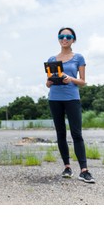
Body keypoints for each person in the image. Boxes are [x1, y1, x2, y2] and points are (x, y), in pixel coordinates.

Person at [46, 27, 95, 183]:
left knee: (76, 134)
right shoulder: (52, 59)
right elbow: (49, 83)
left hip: (72, 98)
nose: (64, 39)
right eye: (61, 36)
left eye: (68, 36)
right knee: (61, 134)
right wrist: (48, 82)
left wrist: (70, 79)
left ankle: (84, 170)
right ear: (59, 39)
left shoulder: (78, 58)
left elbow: (82, 82)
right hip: (54, 98)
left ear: (73, 39)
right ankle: (67, 167)